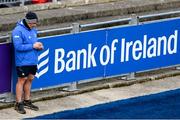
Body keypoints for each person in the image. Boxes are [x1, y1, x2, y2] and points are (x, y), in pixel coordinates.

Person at [12, 11, 43, 114]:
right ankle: (18, 103)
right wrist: (33, 46)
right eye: (33, 23)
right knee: (22, 80)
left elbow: (33, 44)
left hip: (33, 60)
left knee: (30, 79)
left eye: (35, 23)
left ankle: (27, 100)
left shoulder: (34, 30)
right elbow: (18, 47)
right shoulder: (17, 31)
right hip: (22, 61)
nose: (34, 25)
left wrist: (39, 47)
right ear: (27, 21)